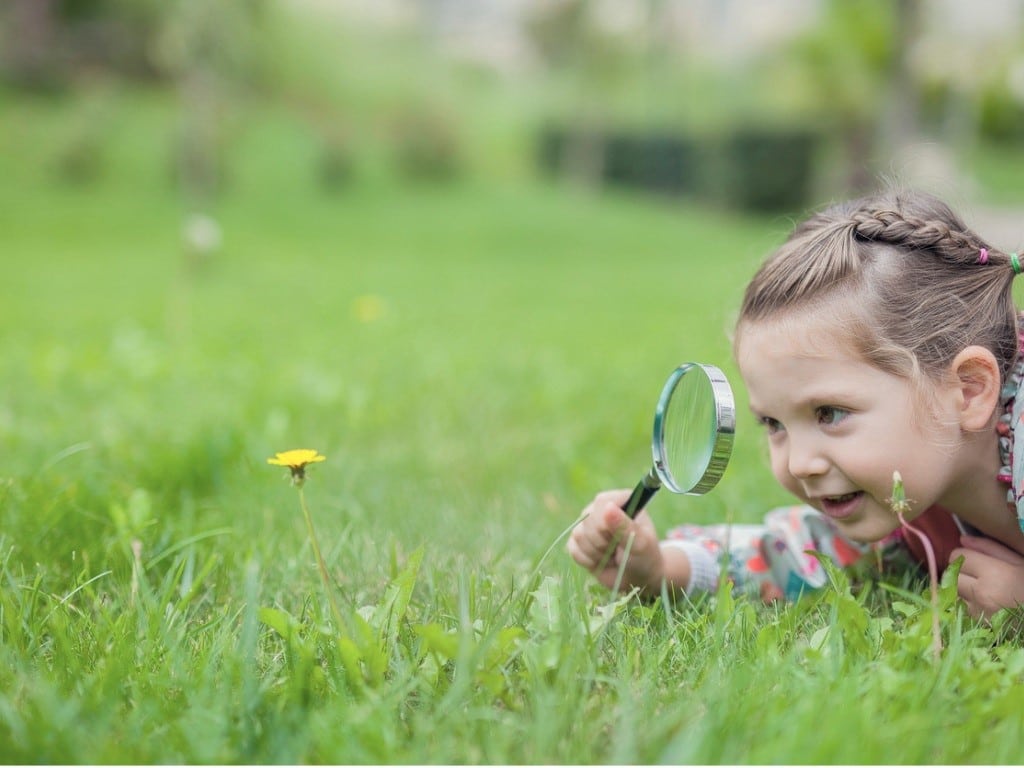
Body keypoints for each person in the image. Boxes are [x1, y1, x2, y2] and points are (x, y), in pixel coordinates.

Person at [567, 189, 1024, 620]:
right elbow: (803, 552)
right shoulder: (910, 492)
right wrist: (662, 570)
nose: (799, 464)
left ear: (968, 390)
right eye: (773, 423)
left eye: (830, 413)